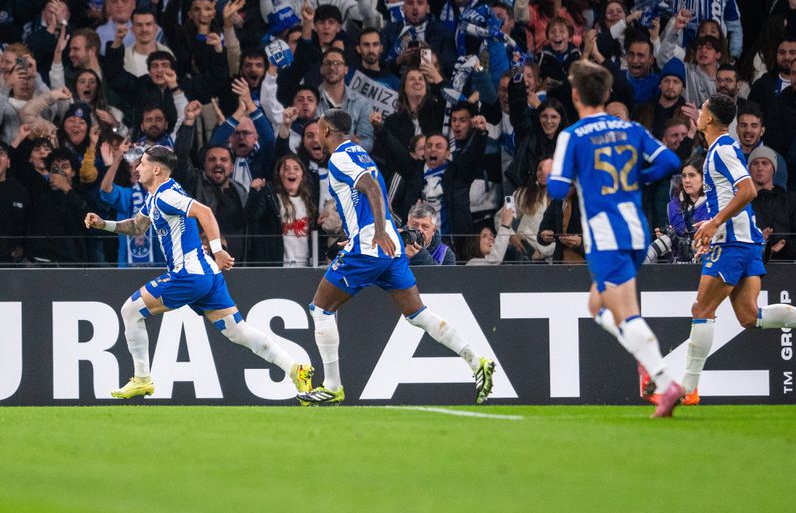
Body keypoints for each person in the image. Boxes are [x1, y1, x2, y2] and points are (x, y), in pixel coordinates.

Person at [668, 93, 796, 407]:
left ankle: (688, 388)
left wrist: (714, 223)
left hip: (732, 242)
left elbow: (748, 189)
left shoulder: (721, 151)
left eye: (702, 110)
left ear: (711, 119)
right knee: (749, 316)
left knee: (702, 311)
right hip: (744, 241)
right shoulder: (722, 147)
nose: (698, 113)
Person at [296, 109, 496, 405]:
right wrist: (396, 228)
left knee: (320, 309)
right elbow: (378, 196)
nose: (315, 134)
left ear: (326, 130)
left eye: (318, 128)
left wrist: (377, 232)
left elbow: (374, 189)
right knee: (418, 314)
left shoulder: (339, 157)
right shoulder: (361, 154)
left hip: (369, 247)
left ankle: (332, 386)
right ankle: (475, 360)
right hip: (389, 248)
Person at [84, 145, 314, 399]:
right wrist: (103, 224)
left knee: (130, 311)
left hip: (189, 274)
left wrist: (218, 250)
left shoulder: (166, 196)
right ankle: (296, 369)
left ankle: (142, 379)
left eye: (143, 163)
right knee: (239, 332)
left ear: (156, 169)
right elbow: (137, 226)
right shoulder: (156, 196)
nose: (138, 168)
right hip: (206, 274)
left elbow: (204, 212)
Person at [548, 60, 684, 417]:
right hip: (636, 230)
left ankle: (663, 377)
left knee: (626, 314)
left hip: (605, 235)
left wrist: (563, 171)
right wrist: (640, 178)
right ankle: (644, 354)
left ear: (575, 95)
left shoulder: (573, 136)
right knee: (596, 306)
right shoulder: (631, 129)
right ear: (607, 94)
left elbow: (557, 187)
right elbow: (670, 161)